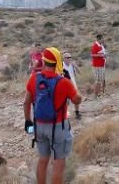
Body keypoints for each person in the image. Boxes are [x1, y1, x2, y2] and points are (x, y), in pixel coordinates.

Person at [23, 47, 81, 184]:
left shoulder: (34, 79)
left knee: (43, 159)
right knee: (59, 163)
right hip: (58, 126)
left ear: (44, 62)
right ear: (57, 62)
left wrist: (27, 121)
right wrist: (76, 91)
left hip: (39, 125)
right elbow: (76, 99)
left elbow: (26, 103)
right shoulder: (63, 82)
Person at [61, 52, 81, 120]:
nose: (69, 59)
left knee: (76, 99)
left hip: (73, 84)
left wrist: (75, 66)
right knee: (66, 101)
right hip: (65, 85)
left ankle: (77, 112)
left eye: (70, 57)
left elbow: (79, 73)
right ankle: (65, 114)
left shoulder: (72, 65)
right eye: (67, 57)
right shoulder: (61, 65)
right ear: (63, 59)